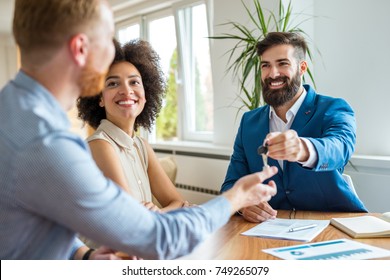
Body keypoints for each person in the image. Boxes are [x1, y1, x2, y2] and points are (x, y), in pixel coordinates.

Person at [0, 0, 278, 260]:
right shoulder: (46, 142)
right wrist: (235, 198)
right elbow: (158, 238)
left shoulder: (14, 114)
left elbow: (34, 222)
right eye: (108, 40)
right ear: (80, 49)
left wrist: (84, 256)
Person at [221, 32, 367, 223]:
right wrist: (242, 204)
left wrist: (302, 149)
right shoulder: (249, 122)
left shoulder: (333, 108)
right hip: (270, 228)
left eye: (283, 63)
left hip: (333, 223)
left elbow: (340, 148)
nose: (273, 74)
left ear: (302, 67)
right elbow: (230, 185)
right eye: (266, 65)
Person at [77, 39, 186, 214]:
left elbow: (179, 202)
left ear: (146, 93)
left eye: (134, 82)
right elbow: (131, 217)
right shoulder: (99, 145)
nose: (127, 91)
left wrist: (158, 213)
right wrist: (161, 213)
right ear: (99, 98)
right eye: (112, 83)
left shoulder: (141, 146)